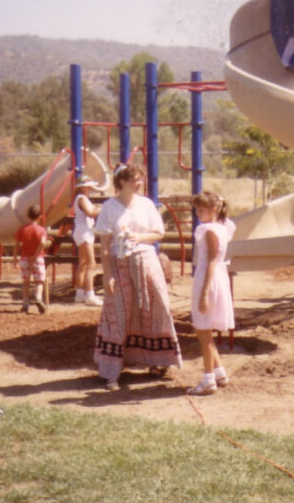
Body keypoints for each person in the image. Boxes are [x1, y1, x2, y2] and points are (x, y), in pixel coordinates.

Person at [93, 164, 182, 390]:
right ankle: (112, 371)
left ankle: (158, 363)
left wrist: (138, 237)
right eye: (134, 179)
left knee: (156, 308)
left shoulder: (147, 204)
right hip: (120, 263)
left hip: (146, 261)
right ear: (122, 182)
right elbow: (104, 245)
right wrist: (108, 274)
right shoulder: (109, 208)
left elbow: (157, 233)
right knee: (119, 313)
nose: (139, 183)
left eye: (140, 179)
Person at [186, 191, 236, 396]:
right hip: (216, 276)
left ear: (214, 210)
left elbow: (212, 261)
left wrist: (204, 293)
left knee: (203, 330)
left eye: (203, 210)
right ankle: (219, 372)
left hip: (209, 278)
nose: (198, 214)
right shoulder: (224, 227)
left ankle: (208, 380)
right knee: (204, 330)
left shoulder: (207, 230)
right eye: (197, 210)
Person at [72, 180, 103, 306]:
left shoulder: (80, 198)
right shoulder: (82, 199)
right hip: (84, 231)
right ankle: (89, 295)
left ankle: (79, 294)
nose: (91, 189)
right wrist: (103, 210)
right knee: (91, 263)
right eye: (89, 187)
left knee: (83, 264)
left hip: (81, 231)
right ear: (83, 187)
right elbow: (90, 213)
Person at [15, 203, 50, 313]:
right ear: (40, 216)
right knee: (39, 281)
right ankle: (38, 297)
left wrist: (15, 258)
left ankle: (25, 302)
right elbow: (43, 243)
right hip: (37, 258)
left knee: (26, 282)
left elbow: (17, 245)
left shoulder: (22, 229)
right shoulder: (42, 230)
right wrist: (35, 256)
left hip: (24, 258)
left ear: (28, 216)